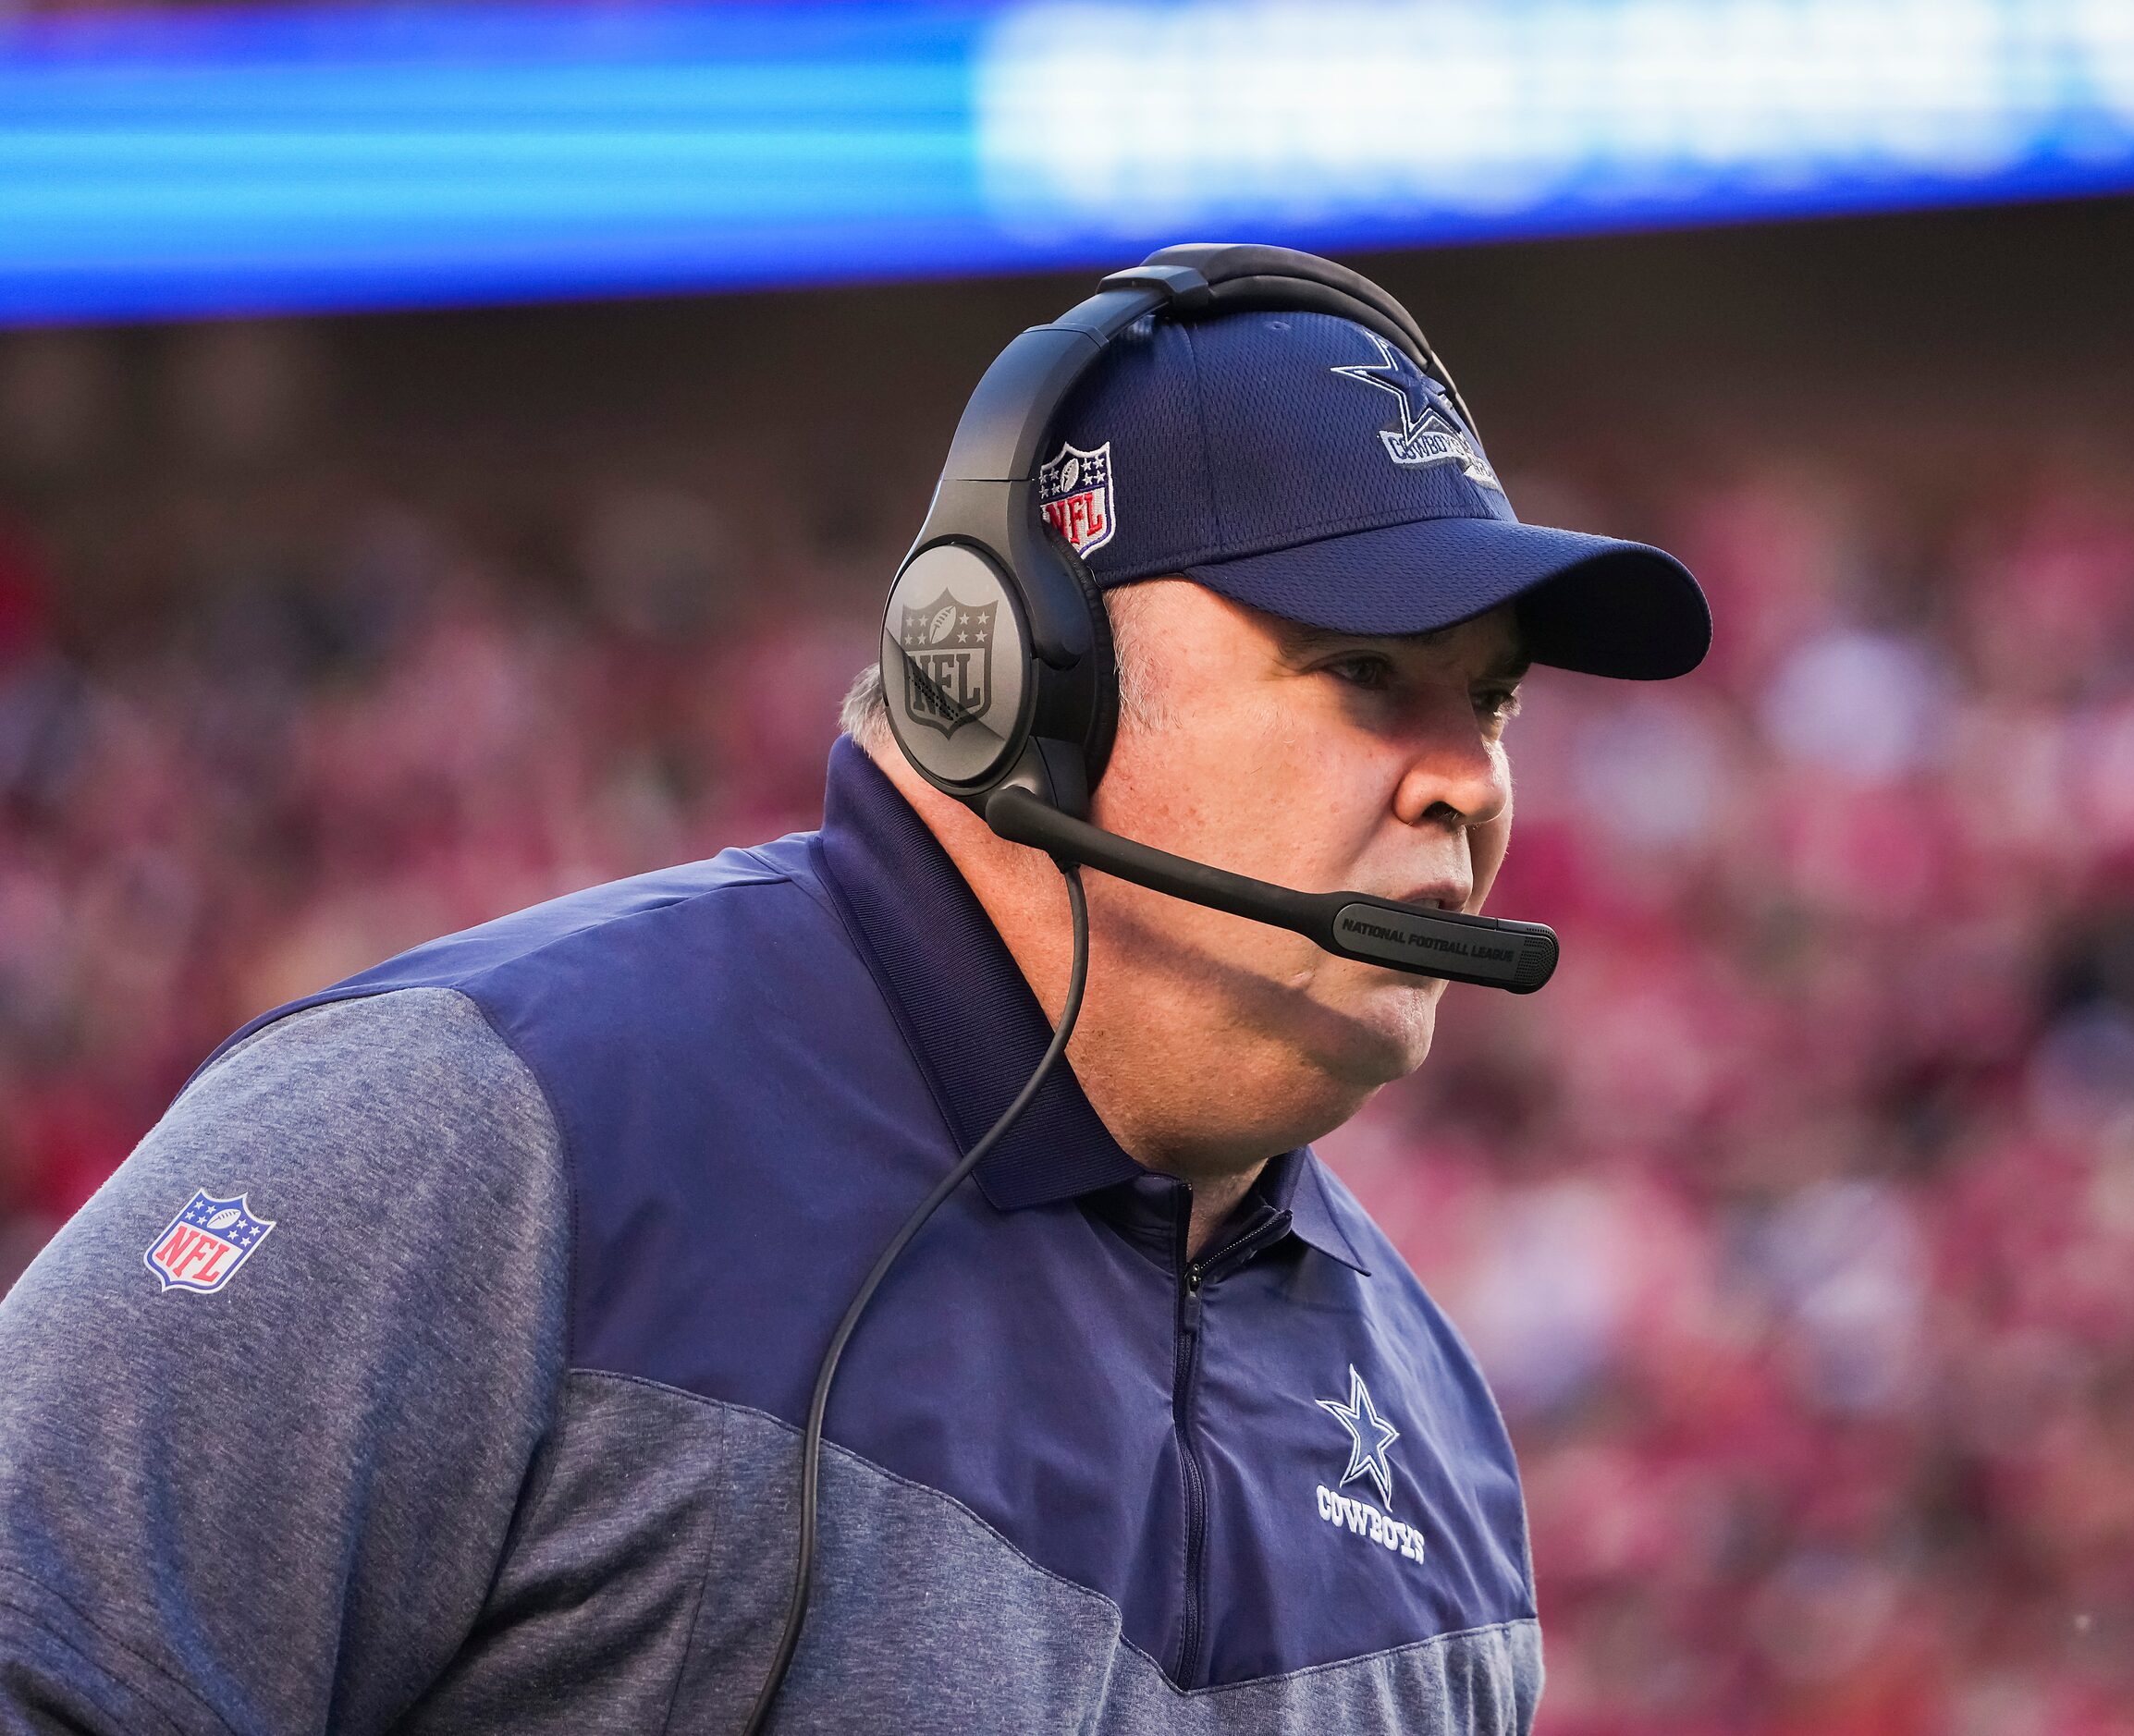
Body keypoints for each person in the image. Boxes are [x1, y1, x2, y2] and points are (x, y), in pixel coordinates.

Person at [0, 252, 1707, 1732]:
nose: (1466, 782)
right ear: (1019, 682)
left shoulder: (1437, 1447)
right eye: (1361, 672)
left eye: (1486, 702)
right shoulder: (483, 1127)